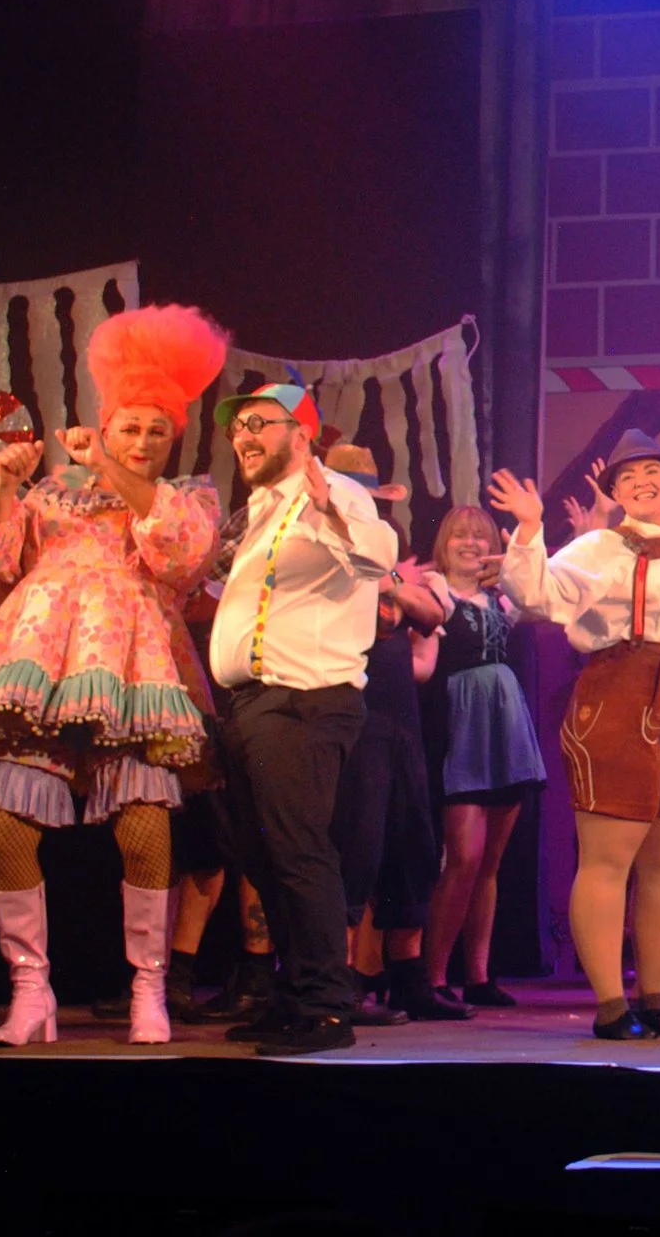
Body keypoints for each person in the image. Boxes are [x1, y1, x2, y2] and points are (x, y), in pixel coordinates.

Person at [0, 304, 227, 1046]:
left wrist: (111, 465)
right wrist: (3, 481)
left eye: (158, 429)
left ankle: (148, 990)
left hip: (134, 669)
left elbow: (182, 556)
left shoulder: (187, 498)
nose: (144, 440)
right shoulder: (54, 488)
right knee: (3, 826)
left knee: (146, 828)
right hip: (40, 665)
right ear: (105, 419)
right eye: (131, 426)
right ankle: (31, 991)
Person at [493, 430, 660, 1040]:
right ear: (615, 491)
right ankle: (610, 1005)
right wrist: (528, 530)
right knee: (609, 857)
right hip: (622, 699)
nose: (644, 481)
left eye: (654, 470)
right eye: (629, 476)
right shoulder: (600, 546)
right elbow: (534, 596)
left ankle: (653, 996)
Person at [208, 377, 401, 1056]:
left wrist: (336, 513)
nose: (244, 435)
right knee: (261, 854)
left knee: (298, 850)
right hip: (254, 703)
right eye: (238, 426)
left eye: (261, 423)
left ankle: (325, 1006)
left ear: (302, 432)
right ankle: (294, 995)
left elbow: (381, 555)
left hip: (303, 699)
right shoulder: (260, 508)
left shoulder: (335, 492)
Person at [321, 443, 467, 1025]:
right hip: (349, 712)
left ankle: (408, 979)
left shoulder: (384, 559)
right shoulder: (322, 552)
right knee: (354, 846)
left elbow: (432, 614)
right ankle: (341, 979)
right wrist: (389, 586)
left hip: (400, 714)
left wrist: (388, 584)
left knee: (412, 843)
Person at [421, 502, 547, 1009]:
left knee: (491, 861)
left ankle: (477, 974)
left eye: (480, 536)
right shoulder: (434, 591)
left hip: (505, 727)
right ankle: (432, 976)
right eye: (461, 536)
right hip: (461, 727)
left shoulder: (502, 597)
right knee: (463, 858)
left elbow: (544, 595)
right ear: (444, 543)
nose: (471, 544)